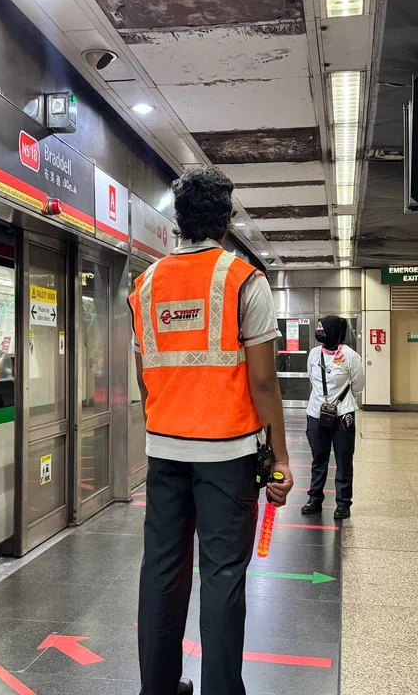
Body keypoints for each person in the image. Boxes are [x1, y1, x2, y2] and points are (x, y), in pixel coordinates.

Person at [129, 166, 294, 695]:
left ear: (178, 220)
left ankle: (156, 688)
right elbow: (264, 383)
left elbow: (144, 375)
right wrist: (281, 460)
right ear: (225, 219)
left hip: (164, 450)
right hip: (227, 453)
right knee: (222, 577)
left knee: (161, 570)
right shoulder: (243, 280)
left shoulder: (145, 284)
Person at [301, 316, 364, 520]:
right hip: (316, 413)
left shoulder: (350, 356)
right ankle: (315, 499)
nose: (319, 331)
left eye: (322, 328)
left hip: (343, 415)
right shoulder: (313, 354)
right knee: (318, 459)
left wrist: (339, 400)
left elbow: (358, 385)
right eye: (318, 327)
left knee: (344, 460)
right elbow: (312, 377)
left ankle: (343, 503)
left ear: (333, 330)